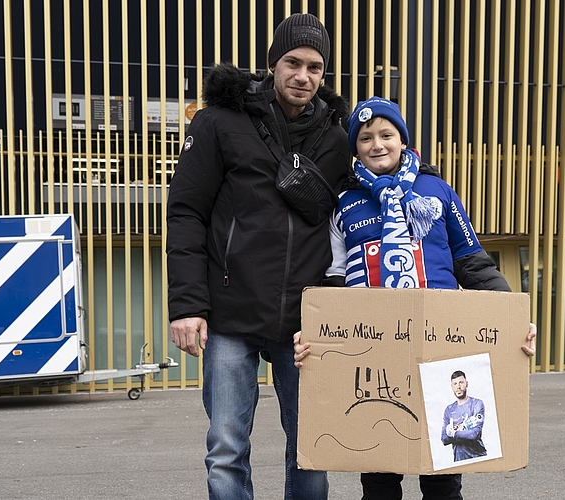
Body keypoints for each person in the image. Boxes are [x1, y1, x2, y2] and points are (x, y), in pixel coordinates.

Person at [293, 95, 537, 500]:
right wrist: (315, 336)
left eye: (387, 134)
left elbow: (474, 264)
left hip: (440, 351)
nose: (377, 144)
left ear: (402, 140)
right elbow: (332, 286)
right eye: (366, 138)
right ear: (355, 148)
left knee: (442, 479)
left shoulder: (436, 191)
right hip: (371, 358)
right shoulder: (345, 203)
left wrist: (513, 318)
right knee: (378, 481)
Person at [166, 13, 351, 500]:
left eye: (315, 67)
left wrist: (427, 180)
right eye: (293, 62)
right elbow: (186, 213)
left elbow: (381, 182)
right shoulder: (219, 123)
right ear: (272, 64)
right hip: (231, 313)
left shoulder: (337, 139)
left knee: (313, 447)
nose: (303, 76)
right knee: (226, 449)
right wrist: (187, 306)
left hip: (305, 322)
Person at [441, 370, 487, 462]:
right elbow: (444, 439)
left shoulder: (477, 404)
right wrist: (463, 429)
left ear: (466, 384)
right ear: (452, 387)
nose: (458, 387)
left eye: (461, 382)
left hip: (478, 458)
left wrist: (454, 432)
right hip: (459, 461)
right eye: (455, 384)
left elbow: (474, 434)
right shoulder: (449, 410)